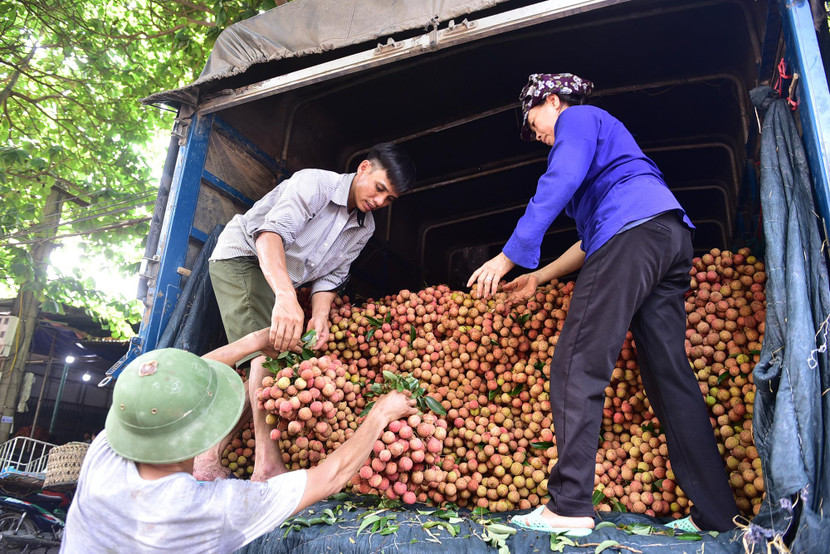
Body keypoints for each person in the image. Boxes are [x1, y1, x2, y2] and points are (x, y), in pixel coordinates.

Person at [467, 73, 738, 535]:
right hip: (667, 237)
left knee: (576, 365)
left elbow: (561, 181)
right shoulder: (607, 153)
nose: (537, 136)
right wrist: (539, 275)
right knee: (671, 381)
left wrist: (508, 256)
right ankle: (717, 514)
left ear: (552, 101)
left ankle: (569, 506)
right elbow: (591, 241)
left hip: (632, 237)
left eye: (535, 124)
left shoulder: (579, 118)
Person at [61, 328, 416, 553]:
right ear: (205, 434)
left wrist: (255, 343)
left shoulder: (105, 451)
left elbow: (173, 387)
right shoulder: (207, 508)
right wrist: (381, 414)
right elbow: (330, 477)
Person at [199, 143, 416, 480]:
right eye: (379, 189)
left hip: (281, 280)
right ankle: (266, 465)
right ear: (363, 169)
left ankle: (208, 453)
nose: (379, 201)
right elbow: (268, 237)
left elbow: (332, 276)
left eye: (389, 199)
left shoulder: (366, 226)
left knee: (274, 362)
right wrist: (286, 298)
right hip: (244, 259)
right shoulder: (313, 185)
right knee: (266, 357)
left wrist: (320, 316)